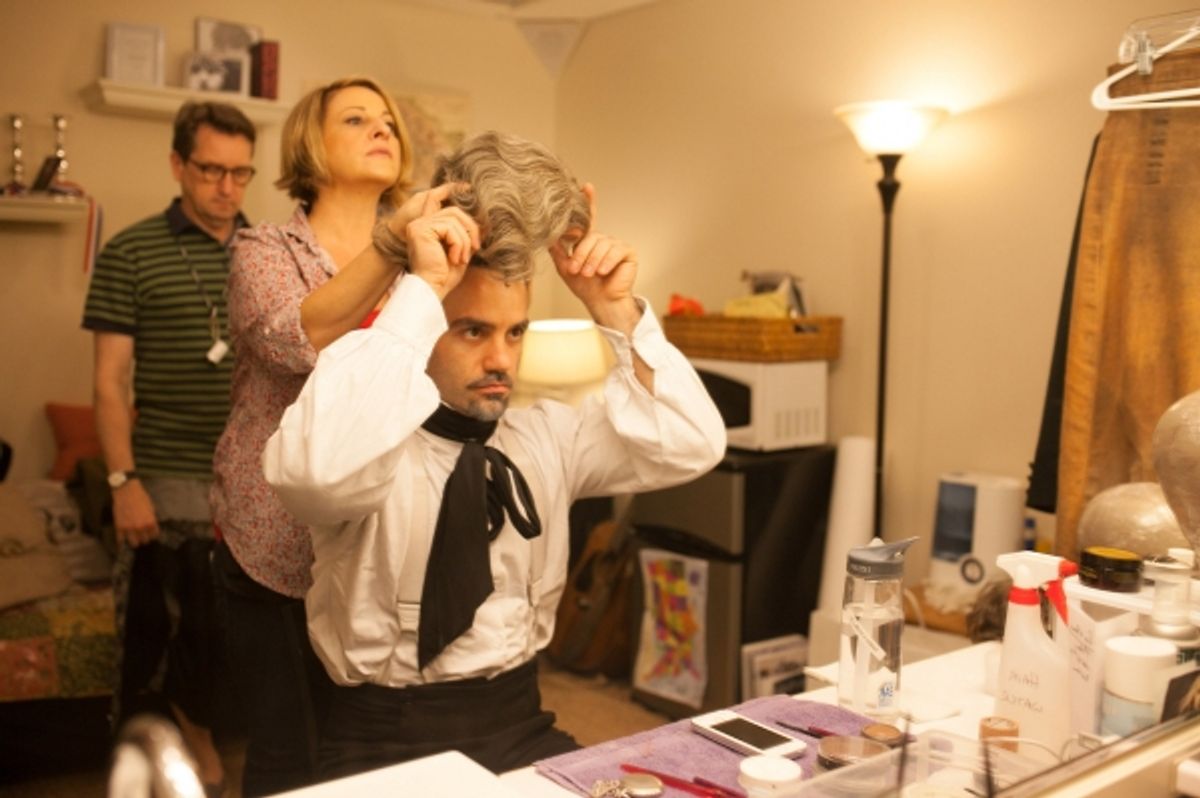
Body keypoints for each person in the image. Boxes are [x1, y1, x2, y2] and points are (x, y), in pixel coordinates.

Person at [261, 131, 727, 778]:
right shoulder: (365, 439)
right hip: (381, 741)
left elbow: (694, 442)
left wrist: (612, 307)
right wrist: (420, 292)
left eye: (515, 332)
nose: (501, 359)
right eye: (472, 331)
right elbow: (311, 475)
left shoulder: (549, 435)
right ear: (425, 327)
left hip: (520, 723)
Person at [209, 75, 451, 796]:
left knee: (370, 751)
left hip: (381, 533)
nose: (382, 129)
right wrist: (396, 247)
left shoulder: (425, 256)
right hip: (274, 542)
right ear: (311, 144)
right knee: (288, 754)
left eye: (388, 121)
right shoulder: (263, 249)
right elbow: (296, 338)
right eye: (356, 119)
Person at [82, 100, 257, 795]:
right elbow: (108, 382)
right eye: (211, 170)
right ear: (178, 164)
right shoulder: (130, 252)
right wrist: (123, 481)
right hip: (168, 469)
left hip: (258, 473)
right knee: (180, 616)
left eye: (241, 173)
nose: (227, 188)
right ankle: (192, 749)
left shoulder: (268, 252)